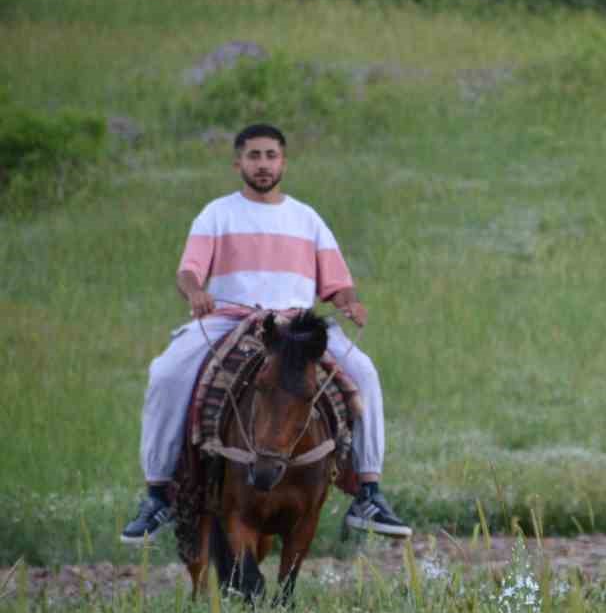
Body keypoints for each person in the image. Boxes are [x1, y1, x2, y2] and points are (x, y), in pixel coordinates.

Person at [120, 123, 412, 543]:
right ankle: (157, 494)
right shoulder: (216, 213)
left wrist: (350, 301)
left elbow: (337, 282)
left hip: (295, 324)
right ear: (237, 162)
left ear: (284, 163)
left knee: (364, 372)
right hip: (230, 317)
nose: (262, 164)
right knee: (165, 374)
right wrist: (196, 291)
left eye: (270, 156)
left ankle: (369, 492)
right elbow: (188, 270)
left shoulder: (306, 218)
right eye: (253, 156)